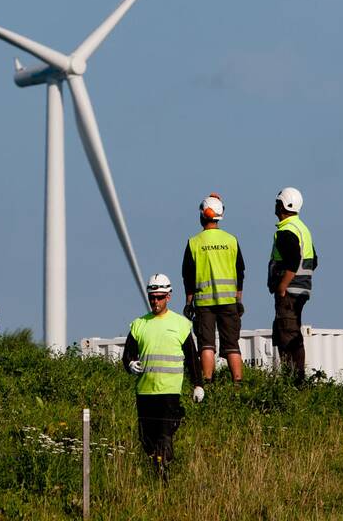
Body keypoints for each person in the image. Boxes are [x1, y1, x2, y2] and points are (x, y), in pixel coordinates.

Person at [121, 274, 203, 479]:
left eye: (159, 297)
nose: (155, 302)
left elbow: (192, 358)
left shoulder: (181, 325)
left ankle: (163, 468)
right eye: (152, 297)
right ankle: (156, 467)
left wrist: (198, 384)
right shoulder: (138, 325)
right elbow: (127, 355)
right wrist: (130, 363)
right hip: (145, 391)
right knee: (146, 439)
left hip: (169, 391)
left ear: (169, 296)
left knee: (165, 435)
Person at [182, 193, 246, 384]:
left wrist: (188, 302)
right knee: (232, 345)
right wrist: (238, 299)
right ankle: (238, 383)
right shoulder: (231, 240)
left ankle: (207, 382)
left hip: (204, 303)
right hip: (229, 302)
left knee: (206, 345)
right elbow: (240, 272)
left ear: (202, 215)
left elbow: (188, 276)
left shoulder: (194, 243)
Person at [267, 187, 317, 384]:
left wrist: (282, 286)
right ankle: (295, 378)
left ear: (281, 205)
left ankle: (295, 381)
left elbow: (293, 261)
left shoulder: (286, 231)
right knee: (288, 330)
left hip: (289, 291)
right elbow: (315, 260)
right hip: (302, 288)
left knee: (287, 332)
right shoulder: (302, 228)